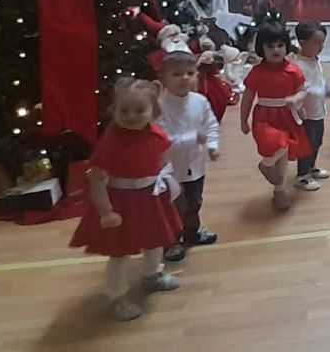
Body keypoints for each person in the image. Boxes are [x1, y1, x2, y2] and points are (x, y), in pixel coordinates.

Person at [69, 78, 183, 322]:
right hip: (121, 203)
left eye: (139, 110)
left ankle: (152, 275)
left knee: (155, 240)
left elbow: (162, 161)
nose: (131, 116)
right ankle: (116, 297)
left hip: (150, 198)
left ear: (153, 110)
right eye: (124, 111)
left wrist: (168, 185)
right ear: (114, 110)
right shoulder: (110, 142)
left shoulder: (156, 133)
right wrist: (106, 211)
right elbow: (97, 179)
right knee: (119, 252)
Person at [154, 46, 219, 263]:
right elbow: (163, 139)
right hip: (171, 169)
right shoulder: (159, 107)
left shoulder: (200, 101)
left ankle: (192, 232)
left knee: (194, 201)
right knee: (174, 206)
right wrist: (195, 138)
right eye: (176, 74)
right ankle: (171, 241)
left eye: (190, 73)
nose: (184, 78)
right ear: (163, 78)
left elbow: (210, 124)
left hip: (195, 164)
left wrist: (212, 144)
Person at [239, 21, 310, 212]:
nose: (276, 50)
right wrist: (243, 120)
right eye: (270, 46)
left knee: (284, 153)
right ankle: (266, 164)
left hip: (286, 115)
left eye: (280, 45)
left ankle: (279, 190)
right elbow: (248, 97)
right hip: (265, 116)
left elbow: (303, 91)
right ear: (261, 48)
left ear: (286, 46)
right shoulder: (257, 72)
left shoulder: (293, 70)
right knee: (277, 144)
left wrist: (296, 99)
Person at [292, 21, 330, 192]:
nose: (321, 46)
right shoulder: (298, 66)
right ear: (302, 42)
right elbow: (302, 89)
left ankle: (311, 167)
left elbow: (319, 80)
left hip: (318, 111)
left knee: (317, 142)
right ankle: (302, 175)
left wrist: (327, 89)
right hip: (306, 114)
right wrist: (325, 91)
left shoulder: (315, 60)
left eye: (322, 42)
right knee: (306, 145)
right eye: (316, 42)